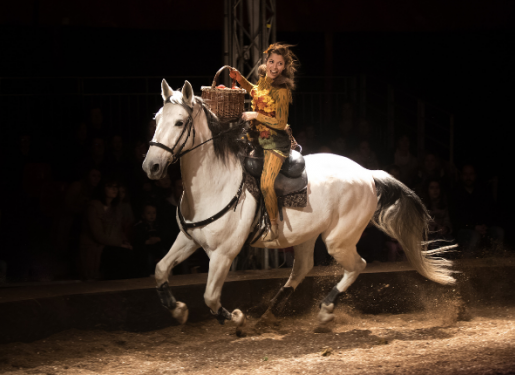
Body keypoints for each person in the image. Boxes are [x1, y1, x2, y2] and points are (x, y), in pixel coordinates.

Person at [229, 43, 298, 241]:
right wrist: (240, 79)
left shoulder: (283, 91)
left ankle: (274, 227)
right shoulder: (264, 80)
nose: (274, 67)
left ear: (284, 67)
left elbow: (280, 122)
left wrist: (255, 115)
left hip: (276, 142)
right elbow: (255, 92)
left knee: (267, 185)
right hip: (258, 138)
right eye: (271, 62)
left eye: (279, 64)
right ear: (266, 62)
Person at [79, 178, 133, 280]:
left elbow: (118, 230)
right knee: (117, 255)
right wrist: (119, 244)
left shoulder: (116, 208)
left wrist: (125, 242)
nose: (114, 189)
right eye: (110, 186)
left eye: (116, 187)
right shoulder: (94, 207)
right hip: (95, 246)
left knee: (128, 253)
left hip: (110, 245)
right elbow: (98, 235)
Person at [451, 164, 504, 258]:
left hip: (483, 228)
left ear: (475, 175)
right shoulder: (456, 193)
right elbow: (456, 219)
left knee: (498, 231)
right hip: (464, 229)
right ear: (461, 176)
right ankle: (470, 267)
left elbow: (491, 212)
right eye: (465, 174)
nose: (468, 177)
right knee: (474, 236)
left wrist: (485, 226)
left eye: (471, 174)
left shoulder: (482, 191)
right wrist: (473, 227)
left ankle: (495, 264)